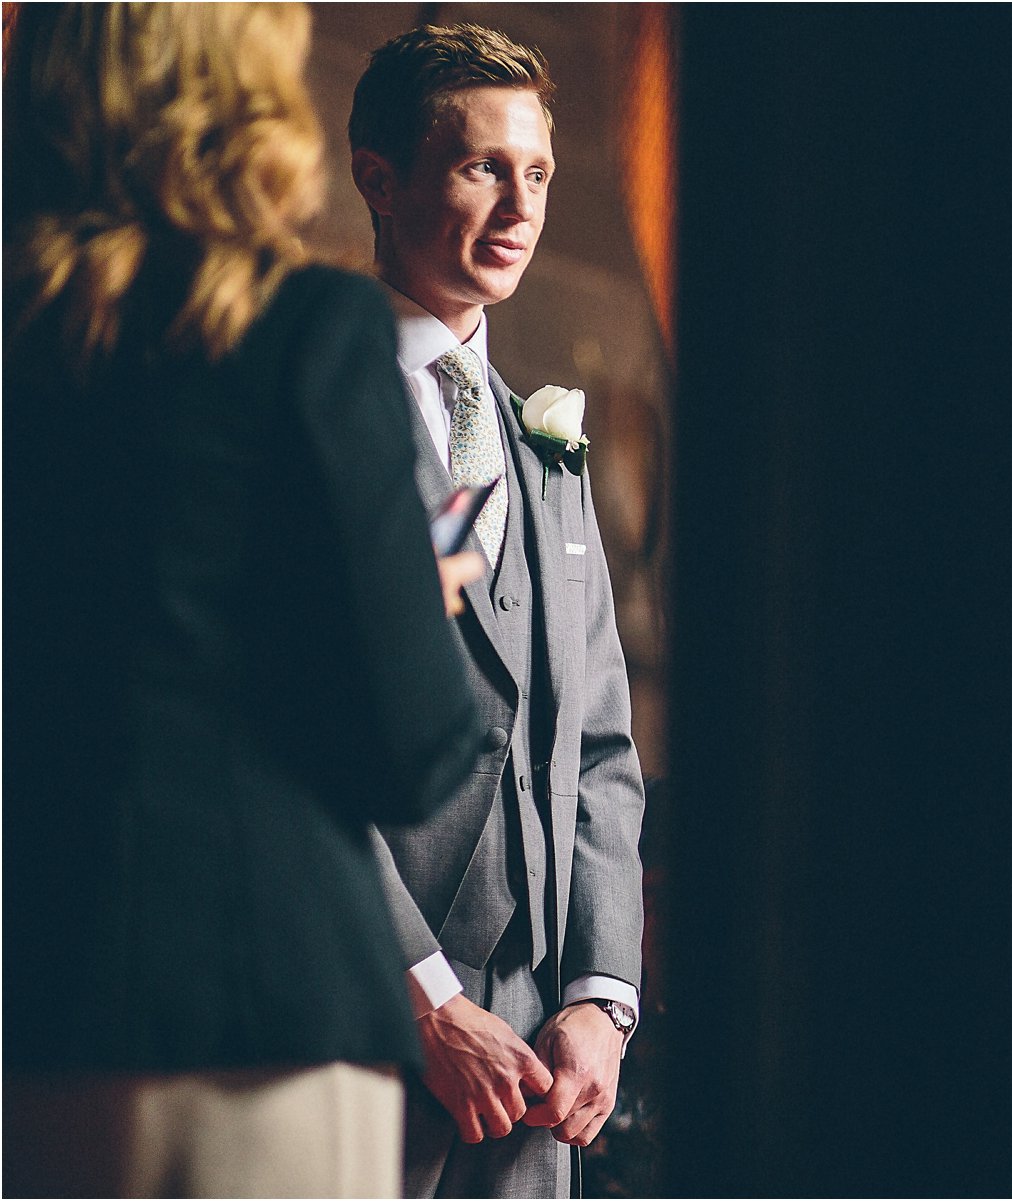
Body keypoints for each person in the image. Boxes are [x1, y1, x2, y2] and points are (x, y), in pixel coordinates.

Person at [1, 4, 488, 1196]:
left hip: (35, 994)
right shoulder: (304, 329)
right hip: (262, 999)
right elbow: (416, 749)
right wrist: (404, 598)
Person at [347, 23, 649, 1199]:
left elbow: (605, 753)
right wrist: (425, 997)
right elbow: (269, 743)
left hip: (538, 1082)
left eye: (538, 173)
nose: (520, 205)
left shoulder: (549, 451)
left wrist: (599, 999)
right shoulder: (305, 418)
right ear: (380, 177)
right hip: (365, 1039)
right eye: (482, 166)